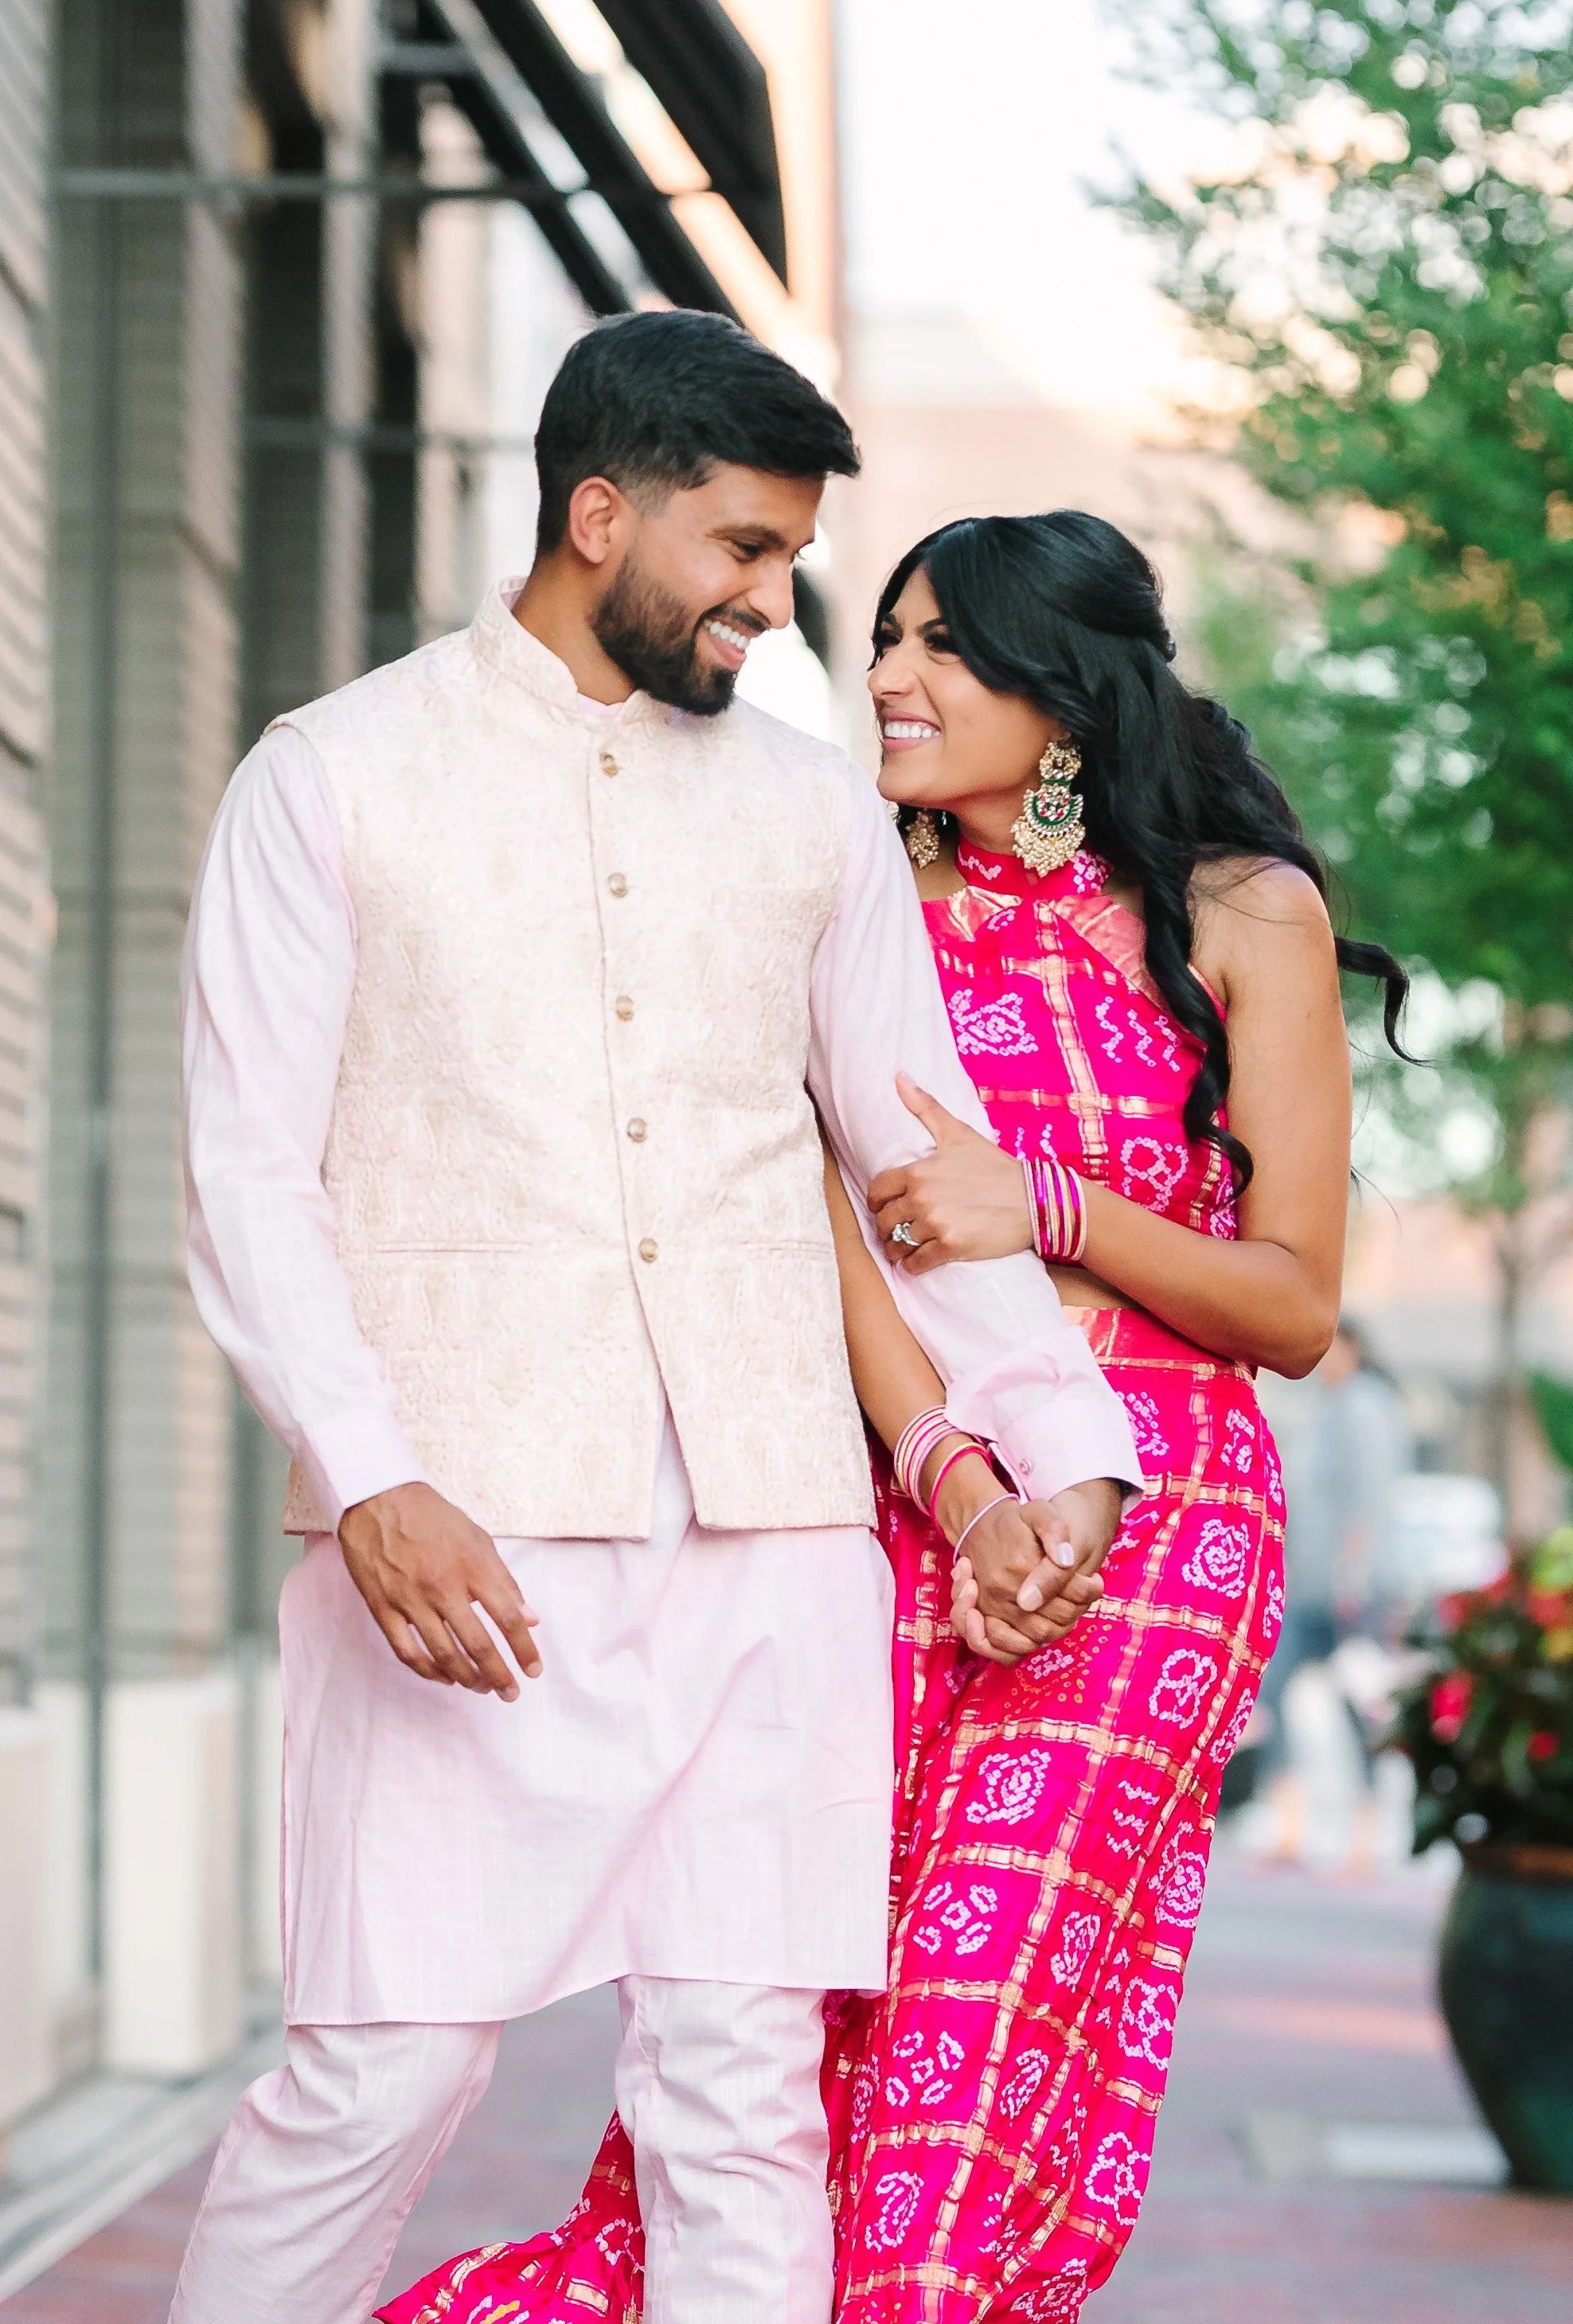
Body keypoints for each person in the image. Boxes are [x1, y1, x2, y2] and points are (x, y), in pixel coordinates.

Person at [170, 325, 1142, 2324]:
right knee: (379, 2075)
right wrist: (370, 1472)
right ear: (600, 512)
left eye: (788, 559)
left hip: (770, 1544)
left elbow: (915, 1157)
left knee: (738, 2095)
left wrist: (1057, 1447)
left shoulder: (806, 818)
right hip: (463, 1546)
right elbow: (249, 1174)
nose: (774, 605)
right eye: (744, 549)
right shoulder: (329, 778)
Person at [381, 509, 1411, 2324]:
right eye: (885, 641)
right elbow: (815, 1234)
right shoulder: (849, 901)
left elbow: (1297, 1301)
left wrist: (1055, 1211)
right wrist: (950, 1471)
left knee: (967, 2054)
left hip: (1151, 1546)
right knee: (761, 2070)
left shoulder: (1246, 917)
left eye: (940, 646)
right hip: (875, 1507)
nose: (886, 677)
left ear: (1065, 694)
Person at [1255, 1319, 1415, 1864]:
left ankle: (1365, 1840)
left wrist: (1355, 1583)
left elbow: (1367, 1503)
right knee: (1274, 1693)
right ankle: (1292, 1828)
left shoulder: (1365, 1407)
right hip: (1312, 1589)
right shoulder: (1328, 1410)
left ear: (1353, 1351)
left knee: (1358, 1706)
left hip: (1351, 1593)